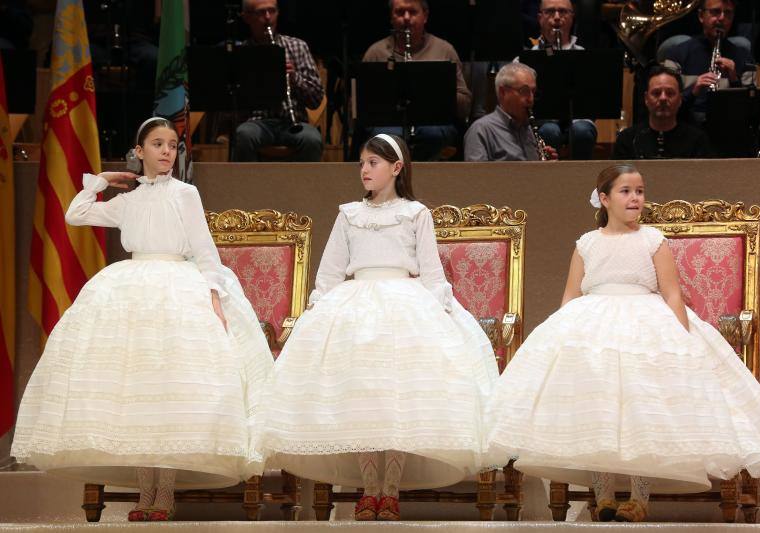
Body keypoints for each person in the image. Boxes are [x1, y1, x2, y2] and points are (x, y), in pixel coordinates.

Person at [485, 164, 760, 522]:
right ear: (604, 198)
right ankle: (601, 496)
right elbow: (571, 295)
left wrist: (682, 337)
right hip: (594, 326)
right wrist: (560, 337)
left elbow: (672, 293)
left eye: (640, 191)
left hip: (645, 324)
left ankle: (639, 497)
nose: (635, 198)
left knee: (642, 404)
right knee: (597, 405)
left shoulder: (652, 240)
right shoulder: (587, 244)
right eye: (625, 191)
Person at [11, 117, 271, 522]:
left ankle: (163, 492)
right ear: (140, 151)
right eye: (157, 144)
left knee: (167, 388)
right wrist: (100, 180)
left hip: (177, 290)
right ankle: (144, 492)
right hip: (131, 288)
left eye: (172, 145)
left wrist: (214, 296)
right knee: (137, 389)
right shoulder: (128, 200)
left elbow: (204, 249)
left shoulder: (185, 194)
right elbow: (76, 215)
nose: (167, 151)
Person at [254, 134, 499, 521]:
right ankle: (369, 489)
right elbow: (331, 270)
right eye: (362, 163)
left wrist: (444, 313)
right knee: (364, 399)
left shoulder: (415, 213)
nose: (366, 170)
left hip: (404, 305)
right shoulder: (349, 214)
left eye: (373, 163)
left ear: (396, 168)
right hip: (357, 307)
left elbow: (432, 272)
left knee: (394, 398)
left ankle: (391, 489)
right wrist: (317, 309)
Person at [362, 0, 472, 161]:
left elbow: (465, 105)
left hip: (434, 124)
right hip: (389, 124)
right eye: (399, 12)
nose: (406, 18)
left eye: (413, 12)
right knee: (388, 138)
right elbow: (362, 104)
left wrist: (437, 92)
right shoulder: (376, 52)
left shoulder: (444, 50)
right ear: (391, 18)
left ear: (425, 16)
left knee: (432, 135)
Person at [235, 0, 324, 161]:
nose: (268, 17)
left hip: (293, 122)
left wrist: (294, 77)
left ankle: (306, 186)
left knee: (312, 139)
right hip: (256, 123)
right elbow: (230, 102)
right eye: (261, 12)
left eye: (272, 11)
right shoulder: (241, 52)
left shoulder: (297, 46)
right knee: (244, 134)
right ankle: (247, 186)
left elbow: (316, 99)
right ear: (247, 17)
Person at [521, 0, 597, 160]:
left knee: (582, 131)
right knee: (549, 131)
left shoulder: (585, 55)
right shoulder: (527, 58)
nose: (556, 17)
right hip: (542, 121)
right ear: (540, 17)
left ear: (572, 17)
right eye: (550, 12)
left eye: (563, 12)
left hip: (578, 119)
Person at [664, 0, 755, 124]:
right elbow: (666, 104)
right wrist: (694, 90)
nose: (722, 18)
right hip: (687, 126)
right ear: (701, 16)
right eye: (715, 12)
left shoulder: (744, 57)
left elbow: (752, 109)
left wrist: (734, 80)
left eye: (728, 13)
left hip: (727, 125)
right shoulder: (677, 54)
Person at [613, 66, 712, 159]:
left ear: (680, 99)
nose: (663, 98)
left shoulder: (697, 141)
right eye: (656, 93)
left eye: (670, 93)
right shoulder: (627, 140)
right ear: (646, 99)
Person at [464, 62, 557, 161]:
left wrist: (547, 168)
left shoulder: (528, 129)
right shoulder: (481, 130)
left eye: (533, 92)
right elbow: (476, 175)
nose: (531, 99)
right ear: (503, 92)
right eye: (524, 91)